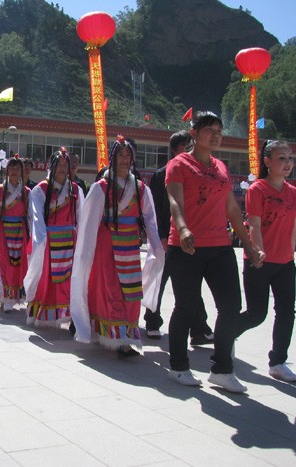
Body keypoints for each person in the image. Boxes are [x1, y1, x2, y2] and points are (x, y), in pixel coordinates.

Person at [165, 111, 261, 392]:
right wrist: (182, 229)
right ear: (194, 133)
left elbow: (232, 208)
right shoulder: (179, 164)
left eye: (219, 130)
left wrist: (249, 243)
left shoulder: (220, 167)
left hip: (220, 246)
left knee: (230, 306)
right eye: (210, 130)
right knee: (186, 307)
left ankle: (221, 369)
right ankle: (179, 367)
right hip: (186, 248)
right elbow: (174, 201)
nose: (216, 135)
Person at [71, 136, 165, 356]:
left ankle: (126, 336)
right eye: (120, 155)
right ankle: (114, 337)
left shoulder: (140, 188)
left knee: (131, 292)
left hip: (130, 246)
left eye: (128, 155)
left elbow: (150, 219)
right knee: (110, 289)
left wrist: (157, 245)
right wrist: (86, 254)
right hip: (107, 246)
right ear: (113, 158)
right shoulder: (101, 188)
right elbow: (88, 224)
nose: (124, 159)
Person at [235, 140, 296, 382]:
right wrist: (258, 253)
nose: (287, 163)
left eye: (290, 158)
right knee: (256, 313)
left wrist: (291, 255)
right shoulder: (257, 189)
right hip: (259, 261)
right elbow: (253, 224)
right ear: (267, 162)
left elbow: (293, 227)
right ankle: (225, 336)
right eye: (281, 158)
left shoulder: (294, 193)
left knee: (286, 312)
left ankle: (278, 361)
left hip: (285, 263)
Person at [144, 130, 214, 344]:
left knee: (190, 285)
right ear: (174, 150)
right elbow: (154, 209)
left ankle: (199, 328)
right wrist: (161, 236)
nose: (190, 151)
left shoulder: (197, 173)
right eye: (186, 147)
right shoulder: (161, 174)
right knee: (159, 281)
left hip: (188, 239)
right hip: (166, 239)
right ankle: (152, 321)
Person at [24, 149, 84, 328]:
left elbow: (81, 216)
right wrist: (41, 241)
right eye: (59, 164)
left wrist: (81, 241)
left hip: (69, 240)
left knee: (70, 279)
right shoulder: (41, 189)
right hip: (48, 240)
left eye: (66, 165)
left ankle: (72, 316)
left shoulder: (75, 189)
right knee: (46, 279)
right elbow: (36, 217)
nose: (63, 168)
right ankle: (43, 313)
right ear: (52, 166)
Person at [0, 157, 31, 311]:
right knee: (5, 263)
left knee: (19, 264)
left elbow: (30, 216)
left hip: (20, 232)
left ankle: (17, 295)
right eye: (12, 168)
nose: (15, 171)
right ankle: (6, 296)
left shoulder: (26, 192)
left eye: (18, 168)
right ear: (7, 170)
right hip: (3, 232)